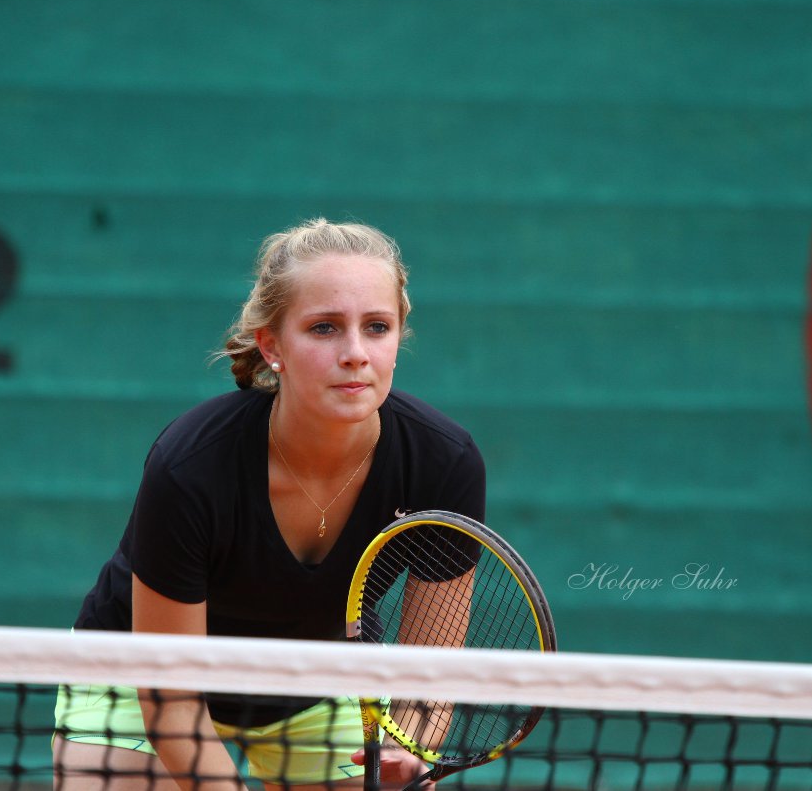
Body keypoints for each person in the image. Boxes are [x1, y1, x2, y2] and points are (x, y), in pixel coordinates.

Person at [54, 219, 487, 791]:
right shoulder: (190, 468)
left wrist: (411, 746)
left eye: (377, 327)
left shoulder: (444, 463)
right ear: (271, 345)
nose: (355, 353)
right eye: (324, 328)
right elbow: (172, 703)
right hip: (143, 681)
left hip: (318, 682)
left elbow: (430, 670)